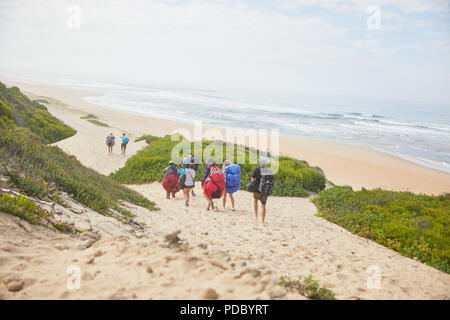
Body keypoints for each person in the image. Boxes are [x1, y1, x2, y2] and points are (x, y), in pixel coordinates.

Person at [251, 157, 274, 224]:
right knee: (263, 205)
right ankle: (262, 221)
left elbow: (252, 180)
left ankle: (256, 217)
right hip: (265, 190)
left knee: (255, 201)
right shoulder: (270, 171)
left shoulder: (257, 170)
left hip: (257, 190)